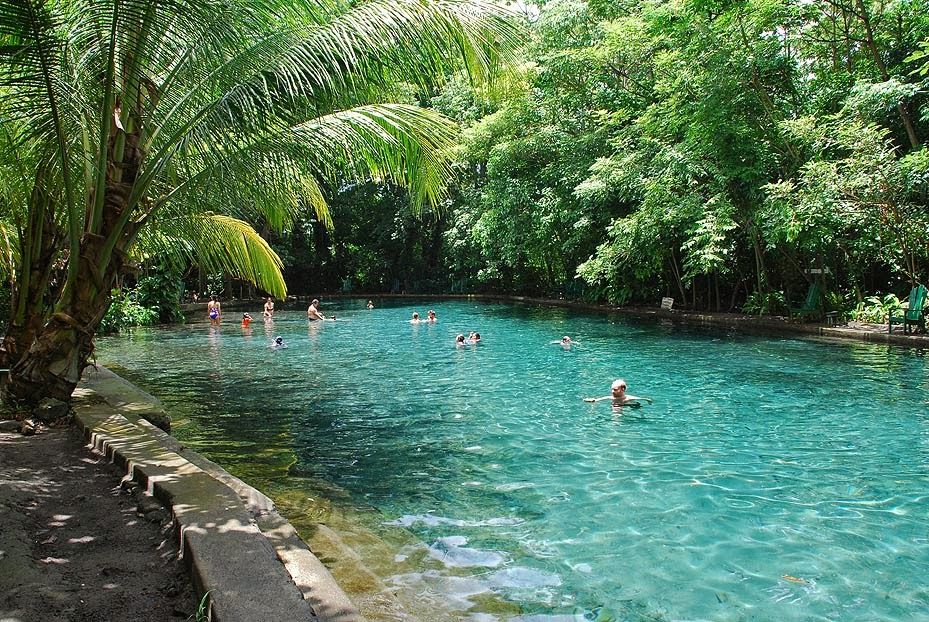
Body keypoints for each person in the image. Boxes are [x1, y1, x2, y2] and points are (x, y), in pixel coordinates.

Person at [584, 379, 652, 406]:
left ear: (623, 389)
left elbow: (643, 399)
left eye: (615, 389)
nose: (612, 391)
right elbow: (597, 400)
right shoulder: (611, 398)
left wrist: (648, 401)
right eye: (612, 389)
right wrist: (592, 400)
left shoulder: (628, 398)